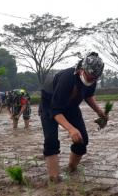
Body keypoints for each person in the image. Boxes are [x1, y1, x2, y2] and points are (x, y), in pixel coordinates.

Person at [39, 52, 107, 181]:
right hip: (50, 106)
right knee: (51, 141)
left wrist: (99, 111)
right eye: (89, 77)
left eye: (94, 79)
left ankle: (71, 169)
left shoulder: (92, 79)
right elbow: (55, 110)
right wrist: (70, 129)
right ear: (82, 69)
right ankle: (54, 178)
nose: (91, 80)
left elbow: (88, 95)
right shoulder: (67, 79)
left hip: (71, 106)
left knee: (82, 140)